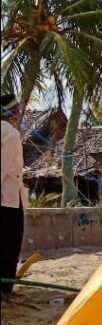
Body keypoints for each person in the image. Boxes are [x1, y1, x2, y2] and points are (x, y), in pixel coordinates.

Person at [1, 94, 28, 297]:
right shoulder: (10, 134)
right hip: (8, 199)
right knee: (10, 244)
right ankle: (4, 288)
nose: (18, 113)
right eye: (15, 109)